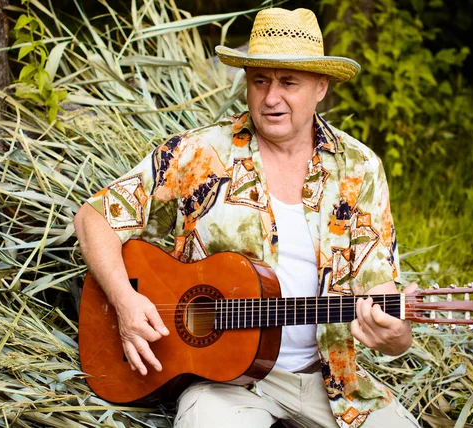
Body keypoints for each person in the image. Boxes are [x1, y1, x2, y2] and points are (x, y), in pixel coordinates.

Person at [74, 7, 420, 428]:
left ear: (321, 87)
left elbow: (382, 295)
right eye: (260, 81)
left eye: (289, 82)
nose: (271, 98)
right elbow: (93, 219)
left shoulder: (359, 169)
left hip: (331, 380)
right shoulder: (197, 154)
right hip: (222, 382)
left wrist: (396, 334)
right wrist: (125, 303)